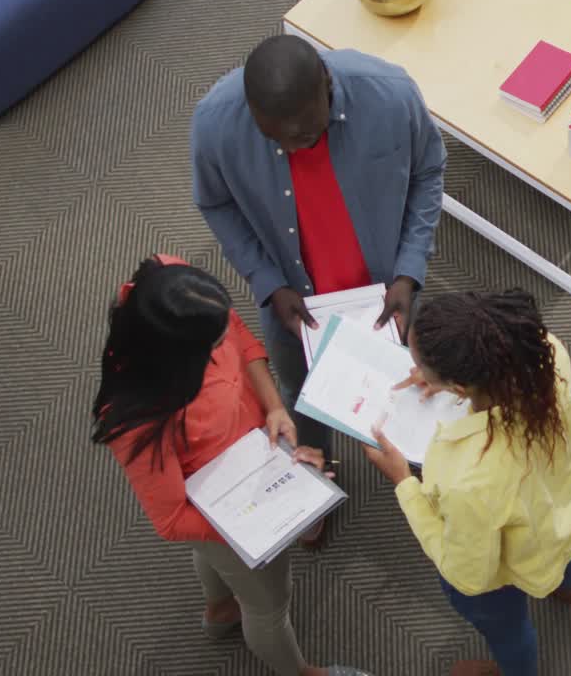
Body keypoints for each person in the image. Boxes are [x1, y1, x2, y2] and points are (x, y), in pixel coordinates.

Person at [191, 34, 446, 545]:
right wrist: (266, 282)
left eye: (306, 134)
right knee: (301, 396)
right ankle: (316, 477)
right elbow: (215, 204)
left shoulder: (390, 95)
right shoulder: (216, 123)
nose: (291, 148)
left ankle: (419, 473)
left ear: (327, 89)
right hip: (293, 308)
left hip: (387, 297)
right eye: (276, 139)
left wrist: (409, 270)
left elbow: (427, 170)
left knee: (403, 388)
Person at [91, 254, 369, 676]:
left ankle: (221, 608)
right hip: (222, 515)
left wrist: (274, 407)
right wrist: (265, 517)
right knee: (270, 606)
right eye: (213, 345)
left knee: (221, 568)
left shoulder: (174, 283)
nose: (226, 342)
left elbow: (239, 337)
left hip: (252, 464)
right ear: (179, 357)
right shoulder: (137, 420)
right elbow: (170, 520)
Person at [361, 290, 571, 676]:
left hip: (506, 568)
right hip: (559, 515)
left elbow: (470, 574)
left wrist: (404, 483)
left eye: (418, 364)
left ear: (460, 387)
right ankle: (568, 588)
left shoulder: (469, 476)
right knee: (558, 554)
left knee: (509, 631)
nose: (414, 369)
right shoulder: (545, 351)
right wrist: (446, 378)